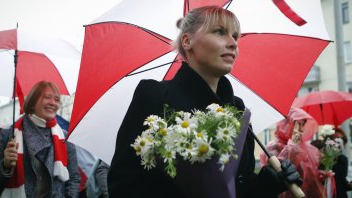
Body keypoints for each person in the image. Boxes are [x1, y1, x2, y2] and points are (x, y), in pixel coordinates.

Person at [107, 6, 302, 198]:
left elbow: (240, 187)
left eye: (235, 36)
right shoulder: (154, 96)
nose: (233, 43)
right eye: (219, 32)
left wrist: (267, 183)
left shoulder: (238, 109)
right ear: (187, 41)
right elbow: (122, 184)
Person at [0, 81, 80, 197]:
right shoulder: (7, 136)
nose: (53, 103)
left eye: (56, 99)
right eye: (47, 97)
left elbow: (73, 178)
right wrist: (5, 166)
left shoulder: (64, 139)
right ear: (32, 102)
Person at [260, 107, 324, 198]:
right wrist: (293, 146)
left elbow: (310, 176)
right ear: (287, 124)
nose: (301, 129)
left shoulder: (308, 149)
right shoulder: (273, 147)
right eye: (297, 125)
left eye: (303, 125)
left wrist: (322, 176)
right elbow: (278, 171)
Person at [328, 128, 352, 198]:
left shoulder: (344, 159)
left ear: (344, 144)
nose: (336, 142)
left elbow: (341, 182)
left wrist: (349, 185)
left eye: (340, 140)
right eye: (334, 139)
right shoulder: (325, 158)